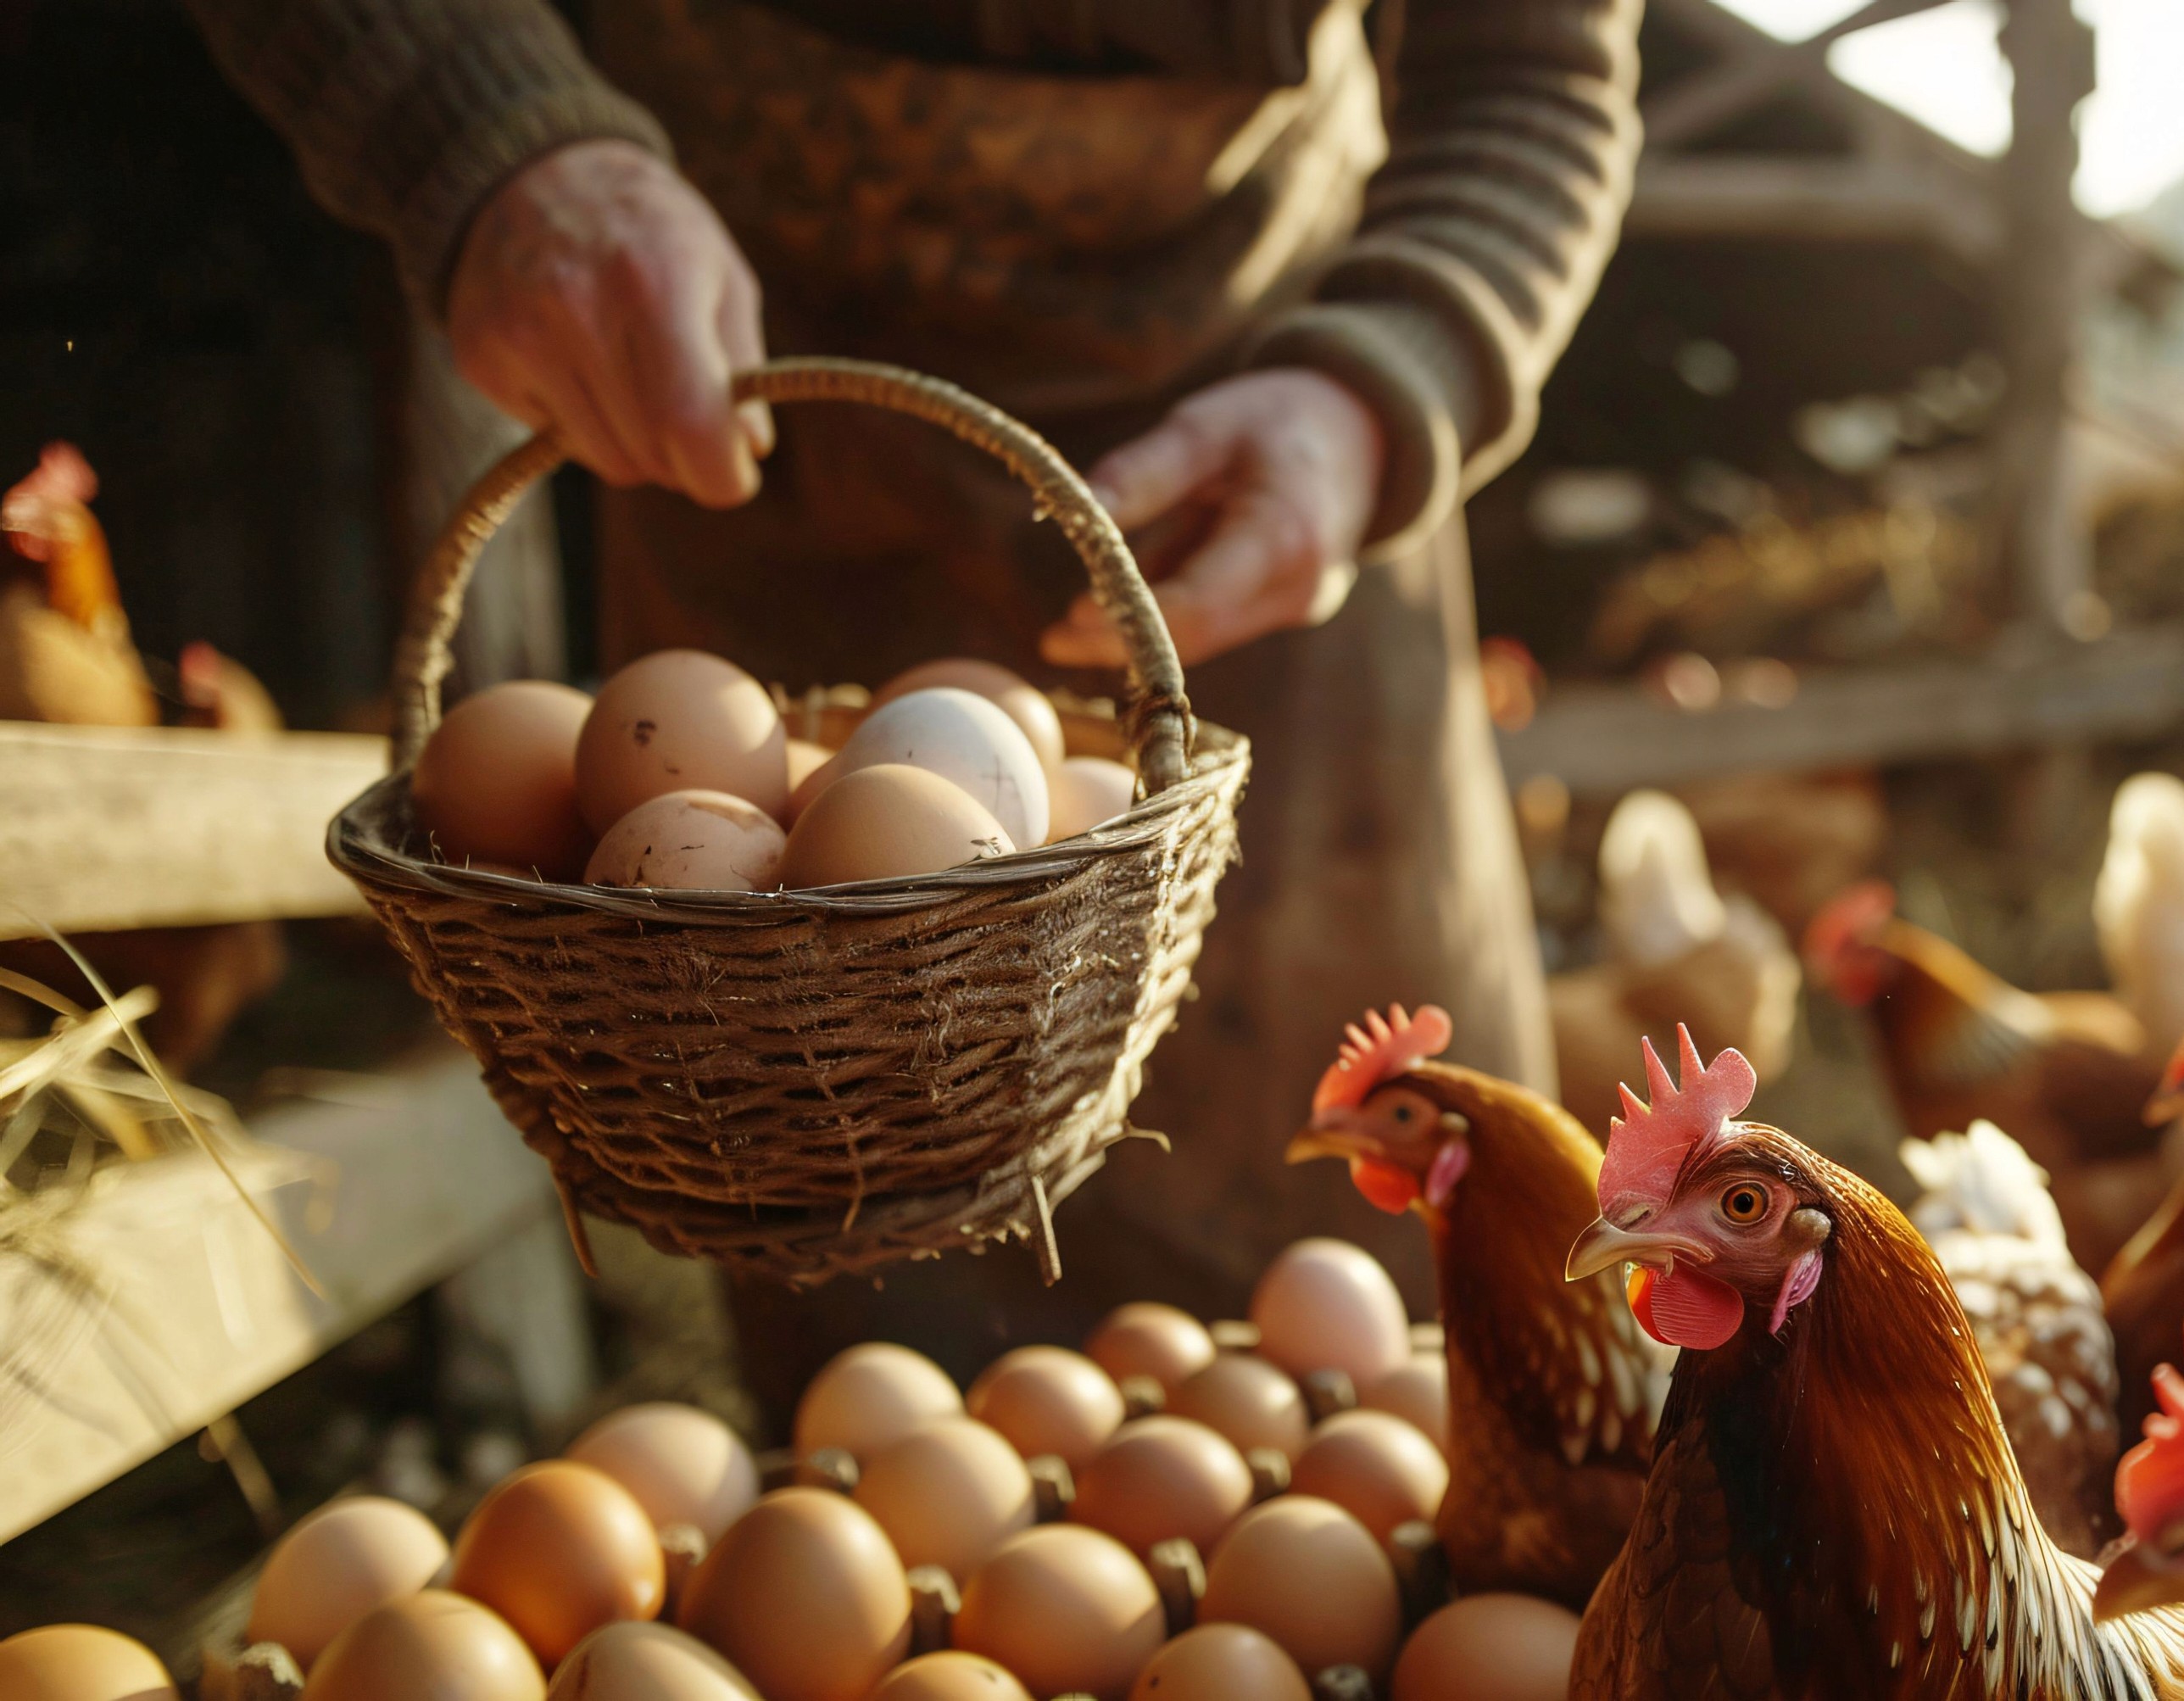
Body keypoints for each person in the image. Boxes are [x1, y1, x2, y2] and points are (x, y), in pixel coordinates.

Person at [191, 0, 1640, 1416]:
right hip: (749, 436)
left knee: (1396, 1321)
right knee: (870, 1346)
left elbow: (1536, 68)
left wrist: (1388, 379)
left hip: (1264, 474)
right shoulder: (737, 741)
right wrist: (484, 128)